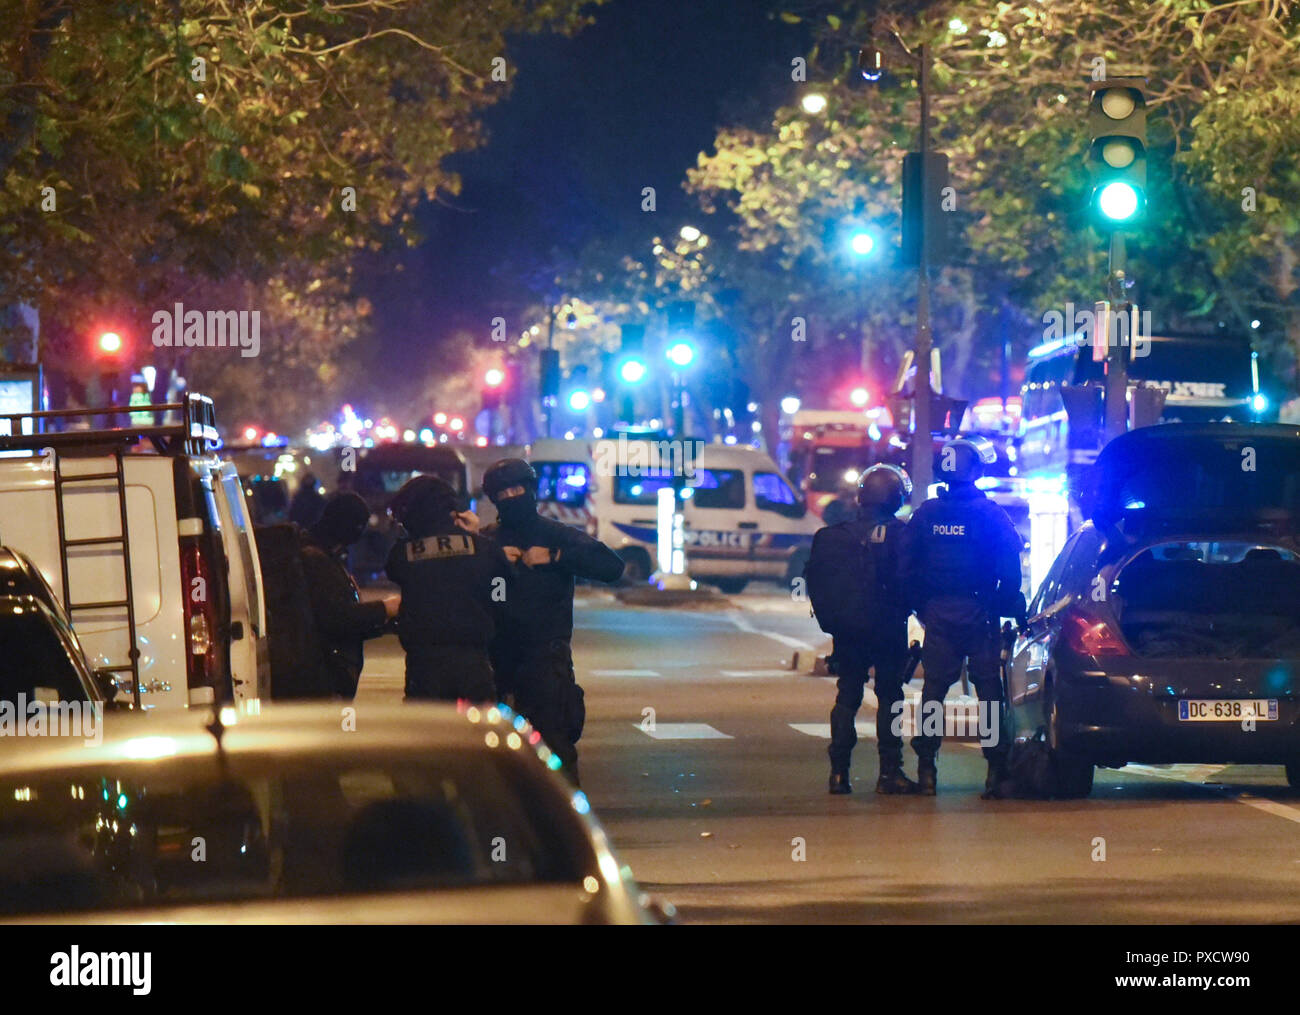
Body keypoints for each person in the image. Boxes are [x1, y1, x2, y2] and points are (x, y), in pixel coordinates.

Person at [481, 458, 625, 785]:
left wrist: (556, 557)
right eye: (503, 492)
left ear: (531, 490)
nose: (512, 496)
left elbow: (612, 567)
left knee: (555, 751)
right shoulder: (485, 541)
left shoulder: (556, 536)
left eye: (517, 489)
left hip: (545, 659)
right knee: (493, 754)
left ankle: (563, 826)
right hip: (495, 661)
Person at [899, 436, 1025, 798]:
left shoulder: (925, 514)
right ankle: (995, 772)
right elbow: (1010, 567)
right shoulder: (989, 513)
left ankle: (926, 771)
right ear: (977, 471)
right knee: (989, 692)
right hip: (980, 614)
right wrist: (1000, 605)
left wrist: (923, 608)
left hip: (938, 613)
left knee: (934, 691)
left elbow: (904, 568)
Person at [809, 465, 917, 795]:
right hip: (887, 628)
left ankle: (839, 774)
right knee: (890, 697)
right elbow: (910, 581)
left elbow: (816, 584)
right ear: (896, 498)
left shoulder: (831, 537)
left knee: (848, 696)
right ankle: (889, 773)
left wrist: (835, 623)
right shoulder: (901, 535)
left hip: (848, 630)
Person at [385, 475, 511, 702]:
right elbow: (502, 593)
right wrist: (475, 536)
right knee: (476, 735)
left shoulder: (403, 554)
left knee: (428, 734)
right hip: (473, 664)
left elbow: (395, 570)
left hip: (424, 667)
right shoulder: (484, 549)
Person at [301, 492, 398, 698]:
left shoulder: (328, 554)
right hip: (323, 677)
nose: (360, 533)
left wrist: (385, 624)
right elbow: (335, 617)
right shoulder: (315, 559)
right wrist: (384, 608)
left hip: (330, 674)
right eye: (358, 526)